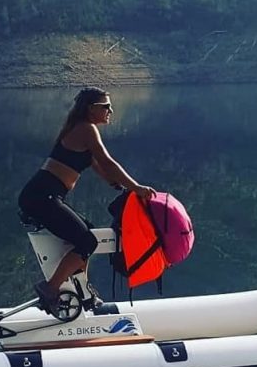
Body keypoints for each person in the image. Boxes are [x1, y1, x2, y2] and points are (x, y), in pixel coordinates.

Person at [18, 87, 157, 314]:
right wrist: (137, 187)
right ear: (90, 109)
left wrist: (117, 185)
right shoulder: (86, 128)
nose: (110, 110)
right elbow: (108, 162)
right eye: (105, 106)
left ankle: (82, 291)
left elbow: (99, 166)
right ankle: (50, 289)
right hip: (41, 197)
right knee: (87, 242)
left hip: (44, 195)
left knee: (88, 233)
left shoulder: (80, 129)